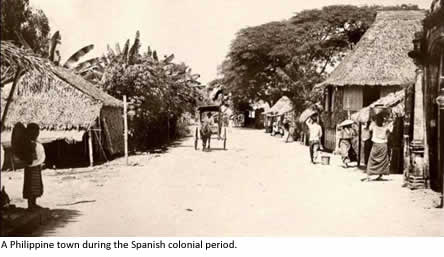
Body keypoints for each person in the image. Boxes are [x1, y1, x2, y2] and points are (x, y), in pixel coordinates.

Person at [363, 111, 393, 182]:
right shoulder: (386, 126)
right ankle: (380, 174)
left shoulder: (373, 125)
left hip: (376, 144)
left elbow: (369, 129)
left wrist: (372, 120)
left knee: (372, 160)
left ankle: (369, 175)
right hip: (383, 145)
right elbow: (391, 130)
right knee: (383, 161)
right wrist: (389, 122)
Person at [22, 123, 46, 209]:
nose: (37, 133)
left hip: (36, 166)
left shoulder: (34, 142)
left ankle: (34, 203)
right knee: (31, 185)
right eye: (36, 131)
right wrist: (34, 162)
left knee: (36, 185)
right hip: (32, 167)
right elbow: (31, 157)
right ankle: (31, 204)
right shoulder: (30, 144)